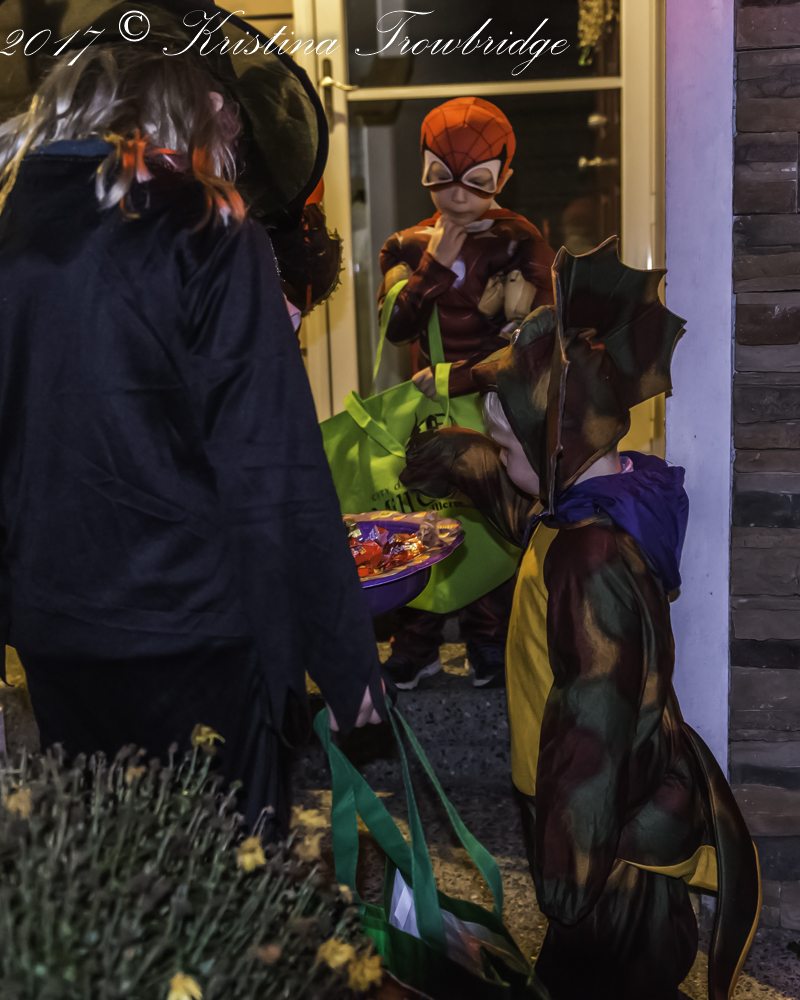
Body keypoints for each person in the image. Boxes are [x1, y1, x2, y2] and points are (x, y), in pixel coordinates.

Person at [0, 3, 383, 839]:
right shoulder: (207, 227)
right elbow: (275, 468)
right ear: (190, 101)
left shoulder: (12, 225)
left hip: (57, 634)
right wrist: (348, 668)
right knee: (224, 878)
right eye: (226, 116)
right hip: (198, 634)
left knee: (110, 873)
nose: (233, 137)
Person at [399, 238, 761, 1000]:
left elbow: (592, 713)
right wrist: (449, 458)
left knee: (604, 978)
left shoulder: (589, 558)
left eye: (507, 444)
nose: (500, 456)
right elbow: (520, 504)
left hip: (606, 837)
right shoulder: (590, 504)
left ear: (553, 448)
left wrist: (568, 866)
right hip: (601, 815)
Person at [377, 97, 555, 691]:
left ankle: (488, 637)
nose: (457, 194)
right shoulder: (406, 245)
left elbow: (533, 335)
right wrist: (434, 264)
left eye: (476, 179)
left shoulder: (519, 241)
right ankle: (416, 639)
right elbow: (395, 326)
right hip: (430, 412)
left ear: (503, 175)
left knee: (490, 520)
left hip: (495, 408)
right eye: (441, 176)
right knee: (421, 518)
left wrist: (461, 376)